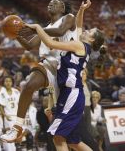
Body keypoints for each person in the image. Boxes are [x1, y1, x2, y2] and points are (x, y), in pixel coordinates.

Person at [0, 0, 80, 142]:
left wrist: (36, 28)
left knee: (68, 137)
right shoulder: (44, 27)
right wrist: (15, 33)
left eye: (55, 2)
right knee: (28, 85)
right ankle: (18, 128)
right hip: (48, 66)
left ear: (62, 8)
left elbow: (60, 31)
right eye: (49, 2)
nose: (50, 3)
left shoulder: (69, 18)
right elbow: (30, 45)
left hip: (66, 71)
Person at [23, 21, 104, 151]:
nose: (85, 30)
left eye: (89, 32)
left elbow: (50, 43)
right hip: (69, 94)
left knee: (58, 137)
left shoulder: (79, 45)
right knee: (73, 142)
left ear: (92, 39)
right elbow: (78, 25)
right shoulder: (83, 47)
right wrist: (82, 10)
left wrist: (38, 27)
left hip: (72, 95)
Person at [0, 76, 20, 151]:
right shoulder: (2, 93)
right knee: (9, 134)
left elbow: (20, 104)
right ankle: (10, 149)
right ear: (4, 83)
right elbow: (0, 106)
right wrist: (5, 115)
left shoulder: (16, 91)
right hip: (8, 116)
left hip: (17, 116)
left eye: (9, 81)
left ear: (12, 82)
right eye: (6, 81)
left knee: (18, 135)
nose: (8, 83)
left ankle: (18, 148)